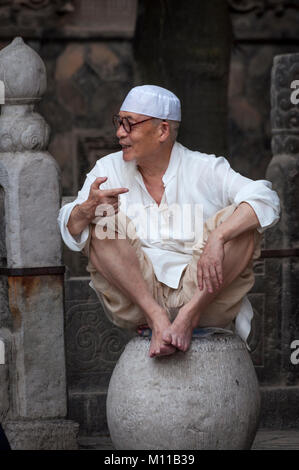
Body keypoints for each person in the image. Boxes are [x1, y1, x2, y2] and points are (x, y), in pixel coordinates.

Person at [58, 85, 280, 358]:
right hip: (137, 299)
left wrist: (219, 237)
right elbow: (69, 225)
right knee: (100, 219)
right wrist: (87, 209)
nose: (119, 133)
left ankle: (188, 316)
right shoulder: (108, 169)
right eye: (119, 122)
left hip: (204, 296)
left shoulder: (204, 168)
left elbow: (265, 199)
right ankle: (157, 318)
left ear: (163, 131)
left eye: (129, 124)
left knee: (242, 223)